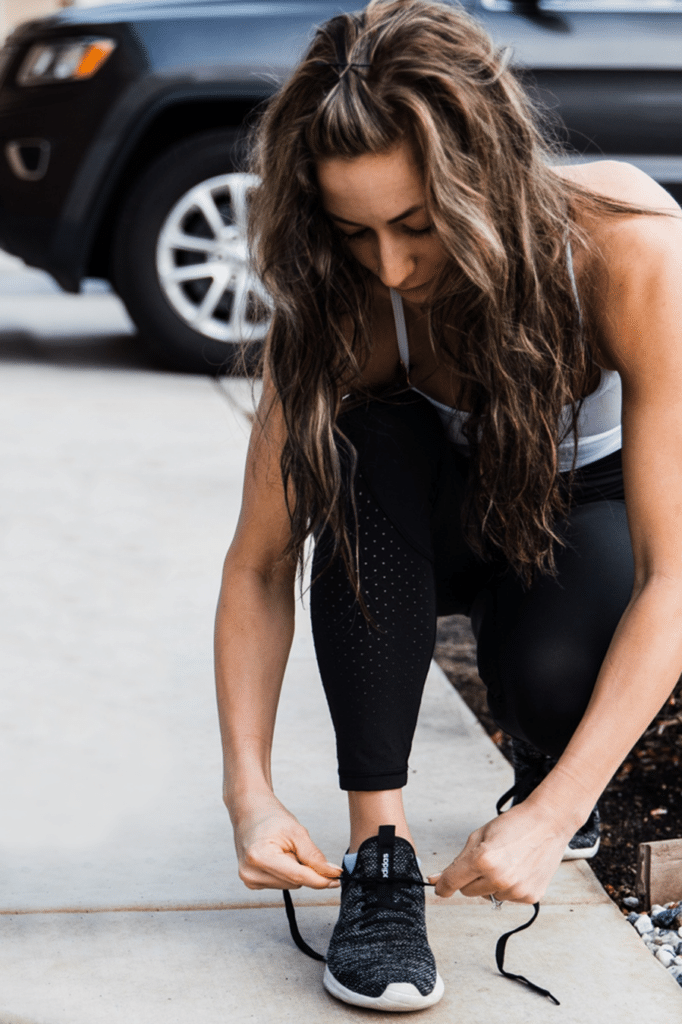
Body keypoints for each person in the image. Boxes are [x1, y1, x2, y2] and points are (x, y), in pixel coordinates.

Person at [214, 0, 682, 1011]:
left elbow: (673, 577)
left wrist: (555, 811)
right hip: (417, 506)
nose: (390, 266)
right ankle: (377, 858)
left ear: (488, 182)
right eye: (354, 232)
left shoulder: (625, 248)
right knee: (360, 444)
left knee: (559, 677)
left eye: (418, 224)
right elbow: (258, 561)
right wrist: (248, 796)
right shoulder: (346, 304)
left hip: (572, 504)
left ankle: (546, 760)